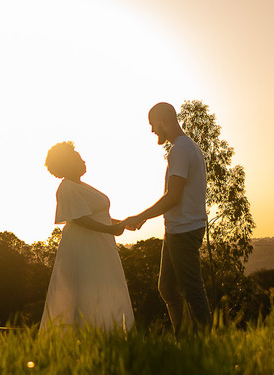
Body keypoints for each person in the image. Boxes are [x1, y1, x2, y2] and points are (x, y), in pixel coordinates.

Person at [122, 102, 212, 334]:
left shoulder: (180, 150)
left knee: (191, 290)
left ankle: (205, 344)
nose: (152, 130)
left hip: (185, 230)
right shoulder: (184, 147)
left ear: (163, 121)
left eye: (153, 125)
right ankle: (184, 340)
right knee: (168, 289)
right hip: (176, 230)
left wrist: (141, 217)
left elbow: (173, 196)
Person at [40, 141, 135, 332]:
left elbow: (95, 214)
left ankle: (108, 333)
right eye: (77, 158)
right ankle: (91, 335)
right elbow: (80, 218)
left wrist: (121, 222)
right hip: (85, 248)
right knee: (89, 289)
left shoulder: (81, 186)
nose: (83, 161)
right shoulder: (66, 187)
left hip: (99, 245)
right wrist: (110, 229)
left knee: (103, 286)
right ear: (68, 163)